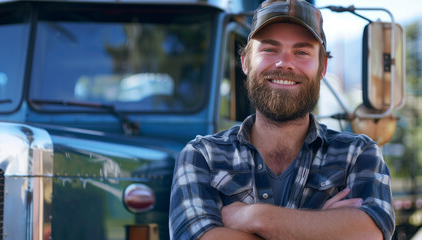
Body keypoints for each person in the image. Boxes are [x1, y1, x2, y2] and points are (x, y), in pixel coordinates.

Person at [169, 0, 395, 239]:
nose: (284, 63)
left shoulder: (357, 154)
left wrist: (252, 217)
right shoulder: (202, 156)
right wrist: (323, 228)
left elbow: (370, 232)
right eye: (269, 49)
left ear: (322, 67)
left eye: (301, 52)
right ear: (245, 62)